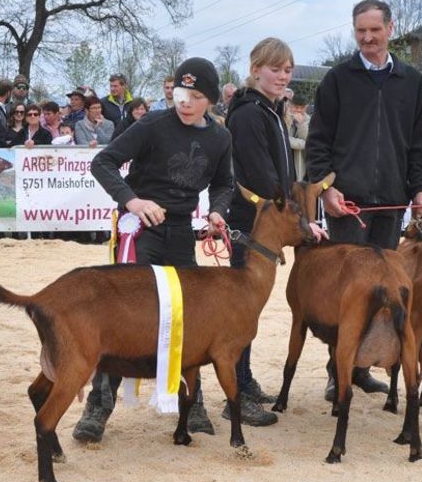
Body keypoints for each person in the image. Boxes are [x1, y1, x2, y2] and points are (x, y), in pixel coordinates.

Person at [72, 57, 233, 443]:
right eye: (180, 93)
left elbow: (225, 184)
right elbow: (103, 162)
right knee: (122, 317)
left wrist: (216, 211)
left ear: (209, 99)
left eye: (195, 96)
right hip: (140, 231)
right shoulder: (152, 123)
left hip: (181, 234)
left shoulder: (221, 138)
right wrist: (133, 201)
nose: (185, 102)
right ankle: (99, 404)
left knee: (189, 317)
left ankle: (192, 403)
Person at [305, 0, 422, 398]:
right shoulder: (338, 79)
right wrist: (326, 188)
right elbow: (318, 142)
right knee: (346, 296)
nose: (367, 38)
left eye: (374, 30)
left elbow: (418, 145)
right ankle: (336, 372)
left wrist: (420, 190)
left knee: (381, 293)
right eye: (360, 31)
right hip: (348, 208)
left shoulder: (411, 82)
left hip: (391, 206)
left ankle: (360, 370)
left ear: (390, 29)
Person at [225, 37, 298, 426]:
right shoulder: (250, 113)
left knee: (251, 308)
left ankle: (245, 379)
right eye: (275, 68)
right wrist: (287, 211)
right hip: (249, 223)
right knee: (241, 311)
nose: (283, 76)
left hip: (265, 223)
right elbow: (259, 172)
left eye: (287, 70)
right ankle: (234, 392)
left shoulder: (270, 109)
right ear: (256, 69)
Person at [286, 93, 310, 180]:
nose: (299, 110)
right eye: (296, 107)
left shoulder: (309, 120)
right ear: (290, 105)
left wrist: (302, 124)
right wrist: (303, 144)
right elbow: (284, 139)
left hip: (300, 163)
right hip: (285, 159)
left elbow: (309, 140)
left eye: (302, 108)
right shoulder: (283, 118)